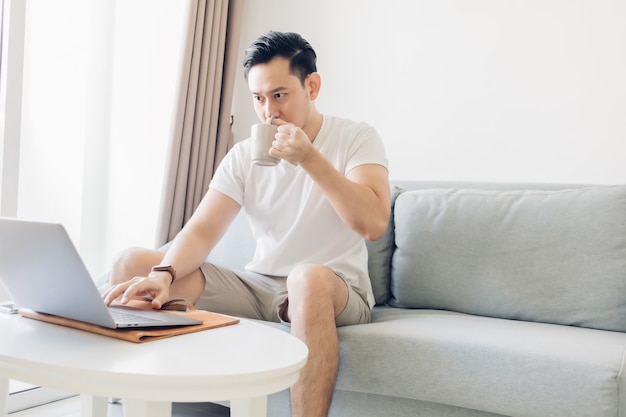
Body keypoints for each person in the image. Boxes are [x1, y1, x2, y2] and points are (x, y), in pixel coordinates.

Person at [103, 31, 390, 417]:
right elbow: (202, 229)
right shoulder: (243, 156)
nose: (269, 111)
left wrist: (310, 158)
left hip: (334, 289)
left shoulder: (356, 137)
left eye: (279, 95)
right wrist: (164, 273)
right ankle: (147, 403)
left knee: (306, 278)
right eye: (258, 98)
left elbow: (372, 224)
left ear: (312, 85)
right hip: (260, 286)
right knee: (132, 263)